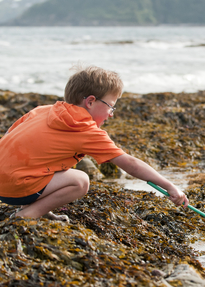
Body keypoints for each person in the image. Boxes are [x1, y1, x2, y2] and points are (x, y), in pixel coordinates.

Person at [0, 65, 188, 221]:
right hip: (16, 188)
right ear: (90, 102)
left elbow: (9, 135)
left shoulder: (43, 110)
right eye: (110, 106)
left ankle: (38, 208)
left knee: (49, 163)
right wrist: (170, 186)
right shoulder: (86, 130)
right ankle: (28, 214)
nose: (111, 114)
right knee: (80, 181)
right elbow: (131, 164)